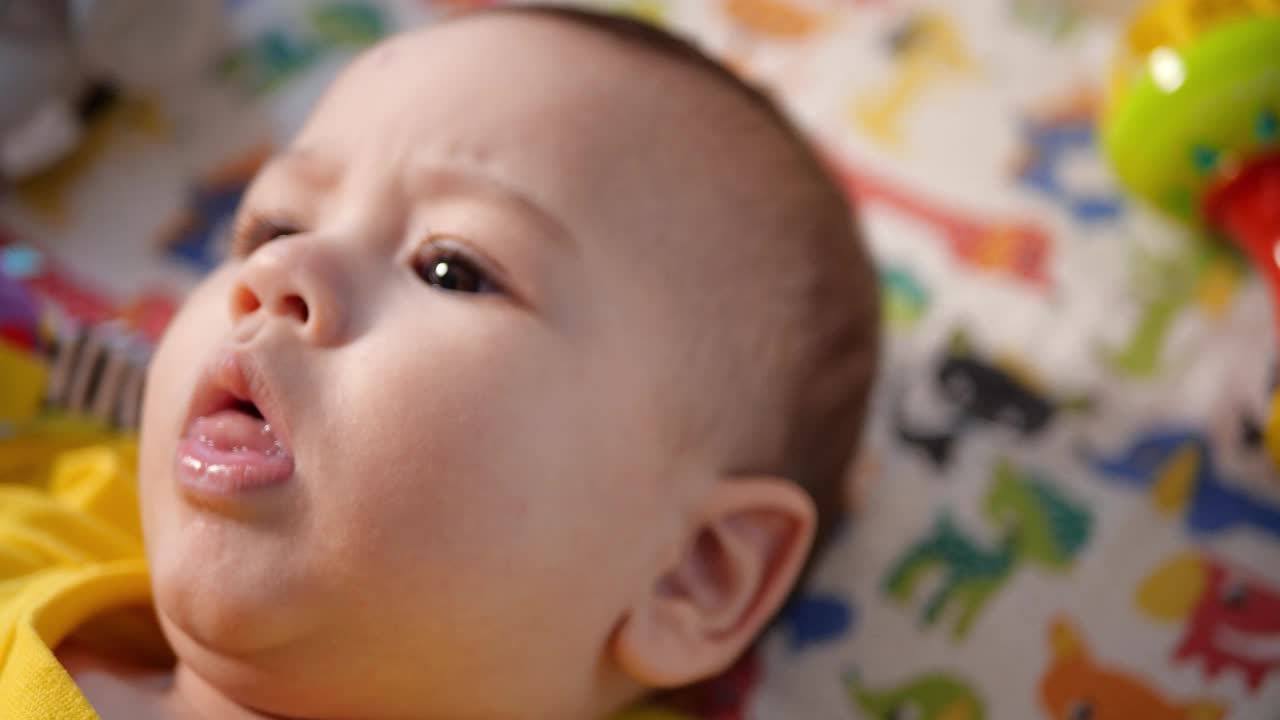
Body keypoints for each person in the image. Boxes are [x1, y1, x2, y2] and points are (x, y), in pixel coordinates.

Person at [0, 6, 879, 718]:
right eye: (276, 225)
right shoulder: (57, 515)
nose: (275, 274)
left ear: (693, 575)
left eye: (450, 268)